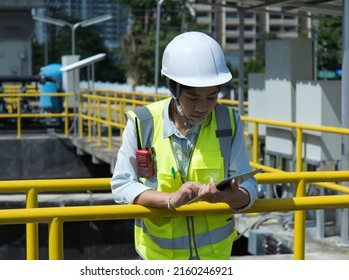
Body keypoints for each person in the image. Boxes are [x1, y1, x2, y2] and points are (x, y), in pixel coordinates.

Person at [110, 31, 257, 260]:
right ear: (173, 88)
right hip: (158, 257)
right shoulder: (142, 123)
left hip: (214, 258)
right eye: (193, 97)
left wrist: (230, 196)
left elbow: (249, 188)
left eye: (212, 97)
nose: (203, 106)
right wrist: (169, 200)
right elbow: (121, 185)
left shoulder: (229, 121)